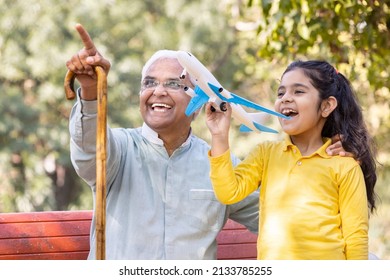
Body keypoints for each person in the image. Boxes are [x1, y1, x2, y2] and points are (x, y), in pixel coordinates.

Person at [66, 24, 350, 259]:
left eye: (174, 84)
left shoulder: (219, 165)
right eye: (149, 83)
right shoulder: (118, 150)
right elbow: (89, 148)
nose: (158, 92)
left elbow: (285, 219)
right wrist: (91, 89)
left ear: (198, 99)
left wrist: (328, 163)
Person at [206, 60, 377, 260]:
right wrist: (219, 136)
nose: (285, 98)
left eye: (298, 92)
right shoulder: (266, 153)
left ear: (326, 106)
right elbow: (228, 193)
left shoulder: (345, 165)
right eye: (281, 93)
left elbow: (355, 238)